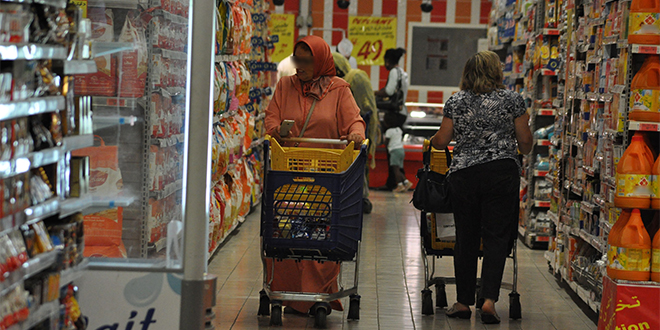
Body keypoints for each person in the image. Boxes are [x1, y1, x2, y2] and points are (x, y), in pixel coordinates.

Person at [264, 35, 366, 314]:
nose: (300, 66)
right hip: (289, 174)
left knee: (321, 234)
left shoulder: (339, 90)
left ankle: (315, 293)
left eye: (306, 61)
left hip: (326, 177)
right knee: (285, 232)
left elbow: (354, 120)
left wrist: (356, 135)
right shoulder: (285, 86)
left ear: (320, 60)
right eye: (297, 59)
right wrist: (277, 131)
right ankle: (287, 292)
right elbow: (270, 117)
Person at [430, 50, 533, 324]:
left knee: (465, 237)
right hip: (501, 174)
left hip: (464, 176)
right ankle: (488, 301)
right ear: (497, 72)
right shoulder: (513, 100)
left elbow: (442, 141)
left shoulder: (456, 101)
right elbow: (526, 142)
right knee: (496, 237)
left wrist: (435, 141)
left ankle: (463, 302)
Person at [332, 52, 380, 212]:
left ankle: (359, 199)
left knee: (355, 166)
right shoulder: (354, 76)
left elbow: (355, 111)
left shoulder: (352, 80)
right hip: (359, 131)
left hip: (355, 133)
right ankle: (360, 198)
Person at [374, 47, 409, 128]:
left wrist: (374, 93)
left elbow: (389, 91)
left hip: (394, 114)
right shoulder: (402, 72)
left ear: (387, 61)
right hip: (402, 111)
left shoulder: (394, 72)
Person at [383, 112, 412, 192]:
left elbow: (386, 142)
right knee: (399, 169)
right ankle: (406, 182)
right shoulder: (399, 130)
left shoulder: (388, 131)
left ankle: (400, 185)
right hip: (401, 150)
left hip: (394, 151)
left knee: (395, 170)